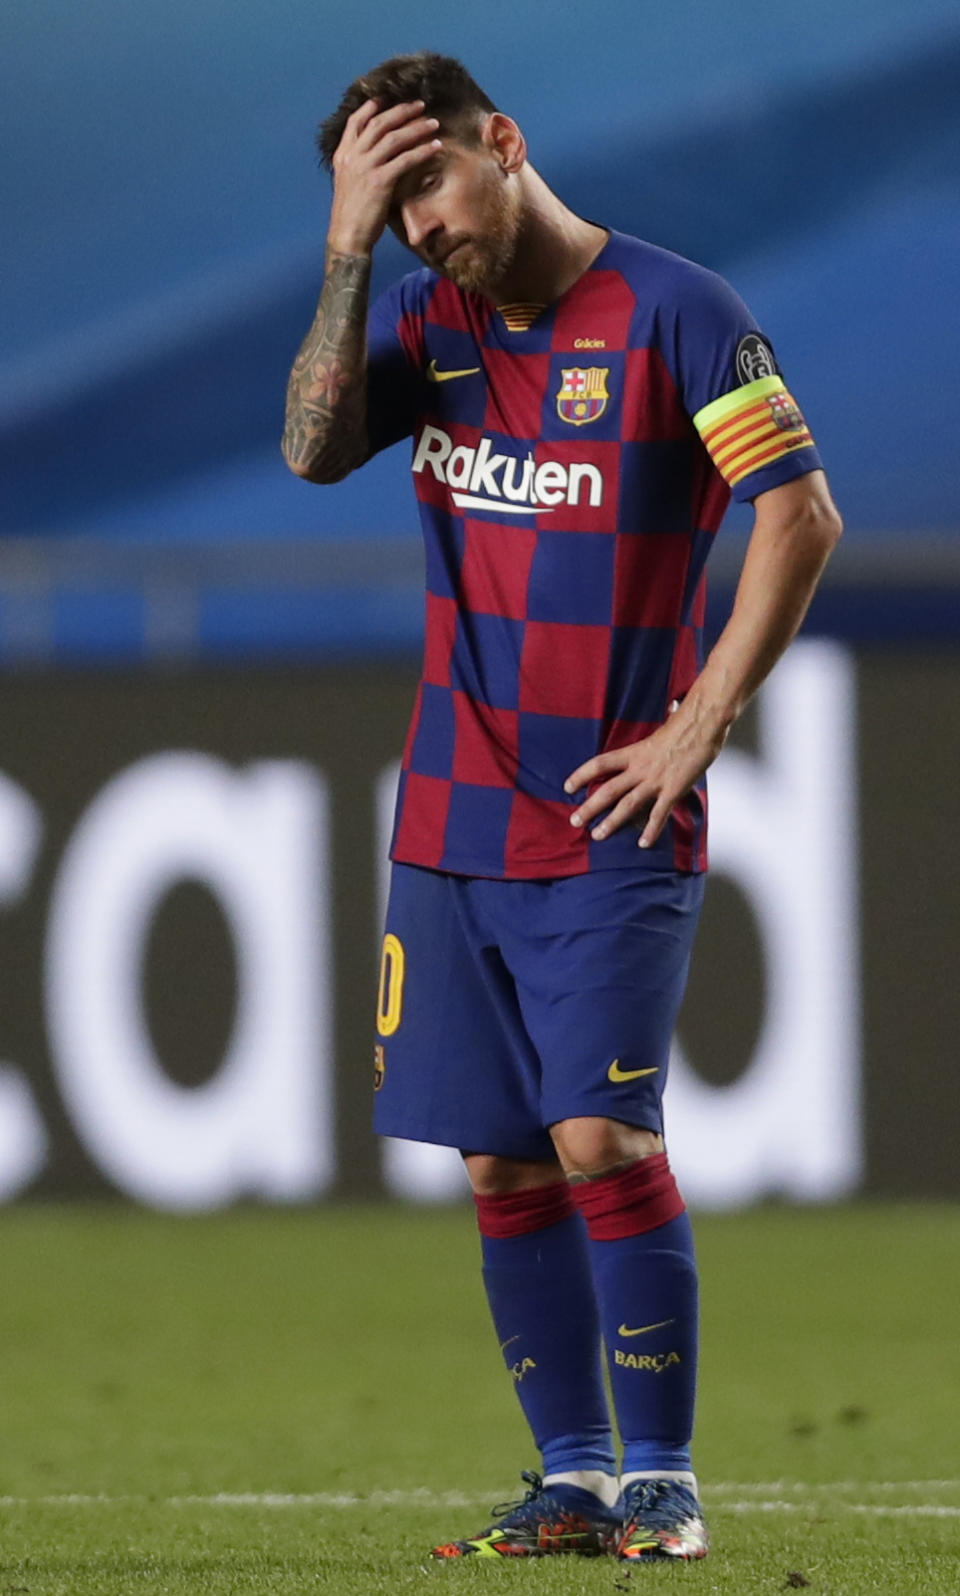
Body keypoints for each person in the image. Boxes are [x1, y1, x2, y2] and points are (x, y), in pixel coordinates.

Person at [282, 52, 842, 1563]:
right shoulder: (425, 322)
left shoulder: (679, 314)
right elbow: (313, 447)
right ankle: (575, 1475)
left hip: (607, 812)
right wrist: (344, 250)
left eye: (423, 187)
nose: (417, 229)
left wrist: (701, 724)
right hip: (452, 817)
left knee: (598, 1131)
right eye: (382, 211)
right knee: (501, 1160)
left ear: (503, 141)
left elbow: (799, 513)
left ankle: (664, 1480)